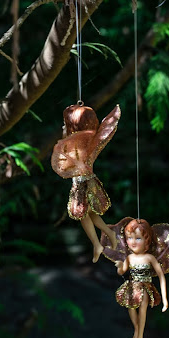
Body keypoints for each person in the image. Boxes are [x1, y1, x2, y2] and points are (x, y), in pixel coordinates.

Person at [51, 103, 121, 262]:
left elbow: (65, 159)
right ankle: (106, 236)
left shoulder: (78, 144)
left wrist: (65, 138)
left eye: (66, 124)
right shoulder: (86, 141)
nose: (63, 127)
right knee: (89, 213)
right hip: (87, 181)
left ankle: (99, 242)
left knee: (83, 214)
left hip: (82, 183)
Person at [115, 219, 168, 338]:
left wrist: (165, 299)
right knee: (130, 308)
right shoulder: (129, 258)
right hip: (132, 287)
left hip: (145, 287)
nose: (133, 242)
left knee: (142, 311)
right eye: (129, 238)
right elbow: (121, 272)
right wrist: (120, 266)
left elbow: (161, 276)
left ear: (147, 241)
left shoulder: (150, 258)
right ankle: (137, 329)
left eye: (138, 238)